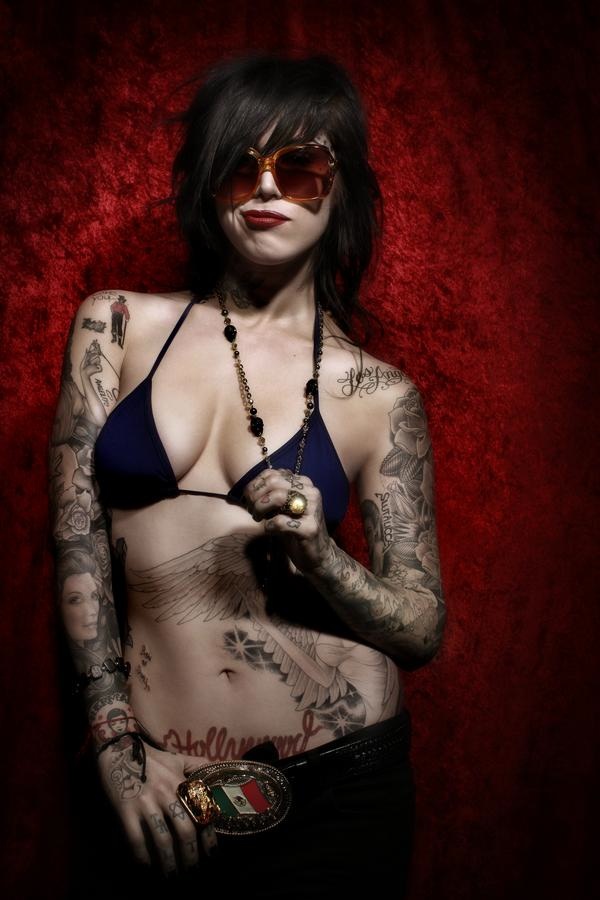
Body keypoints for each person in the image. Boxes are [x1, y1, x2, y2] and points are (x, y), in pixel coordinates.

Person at [49, 53, 445, 899]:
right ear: (209, 184)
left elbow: (421, 628)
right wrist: (114, 746)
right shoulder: (116, 326)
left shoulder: (378, 396)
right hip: (163, 791)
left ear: (340, 189)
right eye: (241, 164)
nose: (266, 187)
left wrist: (322, 556)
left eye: (298, 167)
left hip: (340, 789)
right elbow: (77, 536)